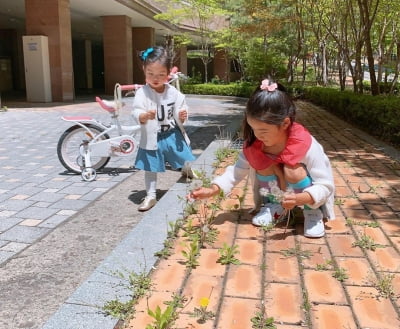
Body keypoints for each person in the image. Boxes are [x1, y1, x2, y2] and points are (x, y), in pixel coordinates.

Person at [188, 78, 335, 237]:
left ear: (285, 124)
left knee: (293, 169)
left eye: (263, 131)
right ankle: (275, 204)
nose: (257, 136)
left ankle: (313, 212)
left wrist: (302, 198)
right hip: (280, 189)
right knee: (262, 162)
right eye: (253, 129)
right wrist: (212, 190)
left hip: (303, 193)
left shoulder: (305, 144)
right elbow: (236, 172)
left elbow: (325, 185)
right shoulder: (255, 144)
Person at [132, 46, 196, 211]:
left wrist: (183, 115)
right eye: (150, 74)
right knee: (150, 167)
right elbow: (136, 110)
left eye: (161, 74)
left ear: (168, 73)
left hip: (171, 134)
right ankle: (151, 195)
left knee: (184, 156)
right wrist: (143, 116)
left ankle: (187, 171)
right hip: (152, 137)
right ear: (144, 70)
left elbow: (182, 108)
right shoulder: (142, 93)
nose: (155, 78)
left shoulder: (173, 92)